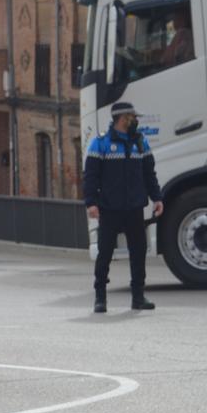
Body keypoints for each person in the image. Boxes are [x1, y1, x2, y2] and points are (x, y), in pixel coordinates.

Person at [83, 101, 164, 313]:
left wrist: (157, 198)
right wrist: (91, 202)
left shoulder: (140, 143)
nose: (136, 120)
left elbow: (149, 174)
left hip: (135, 208)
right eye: (132, 117)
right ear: (122, 118)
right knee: (105, 253)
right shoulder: (100, 144)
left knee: (138, 253)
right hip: (109, 209)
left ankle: (138, 296)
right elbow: (90, 177)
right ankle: (100, 297)